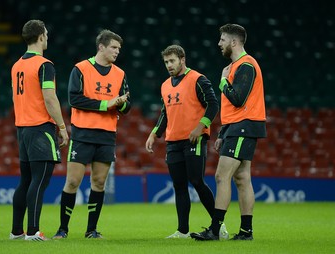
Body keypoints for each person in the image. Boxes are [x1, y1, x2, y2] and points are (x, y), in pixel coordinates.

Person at [191, 24, 266, 241]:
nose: (219, 43)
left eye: (222, 39)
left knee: (221, 176)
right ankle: (246, 232)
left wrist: (223, 81)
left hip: (244, 125)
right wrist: (223, 132)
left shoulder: (246, 65)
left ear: (234, 42)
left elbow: (238, 99)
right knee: (242, 177)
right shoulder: (236, 66)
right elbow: (233, 107)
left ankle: (215, 229)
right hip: (238, 126)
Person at [52, 29, 131, 239]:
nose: (117, 51)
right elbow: (75, 100)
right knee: (72, 182)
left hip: (106, 135)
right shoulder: (80, 69)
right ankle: (63, 229)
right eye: (114, 47)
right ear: (101, 47)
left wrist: (121, 105)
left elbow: (126, 104)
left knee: (98, 182)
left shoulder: (120, 73)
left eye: (119, 49)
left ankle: (91, 230)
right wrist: (108, 103)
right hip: (83, 134)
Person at [145, 45, 225, 239]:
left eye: (172, 61)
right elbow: (165, 113)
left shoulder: (198, 79)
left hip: (194, 139)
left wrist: (200, 127)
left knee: (196, 180)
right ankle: (182, 231)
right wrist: (154, 133)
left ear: (182, 59)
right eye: (166, 62)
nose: (169, 65)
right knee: (179, 186)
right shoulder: (165, 85)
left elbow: (213, 104)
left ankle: (218, 227)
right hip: (173, 141)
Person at [9, 19, 69, 241]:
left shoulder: (16, 66)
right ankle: (33, 231)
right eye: (46, 33)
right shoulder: (44, 65)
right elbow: (50, 98)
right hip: (40, 127)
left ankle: (16, 231)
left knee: (25, 181)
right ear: (41, 36)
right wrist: (62, 126)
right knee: (39, 181)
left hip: (22, 129)